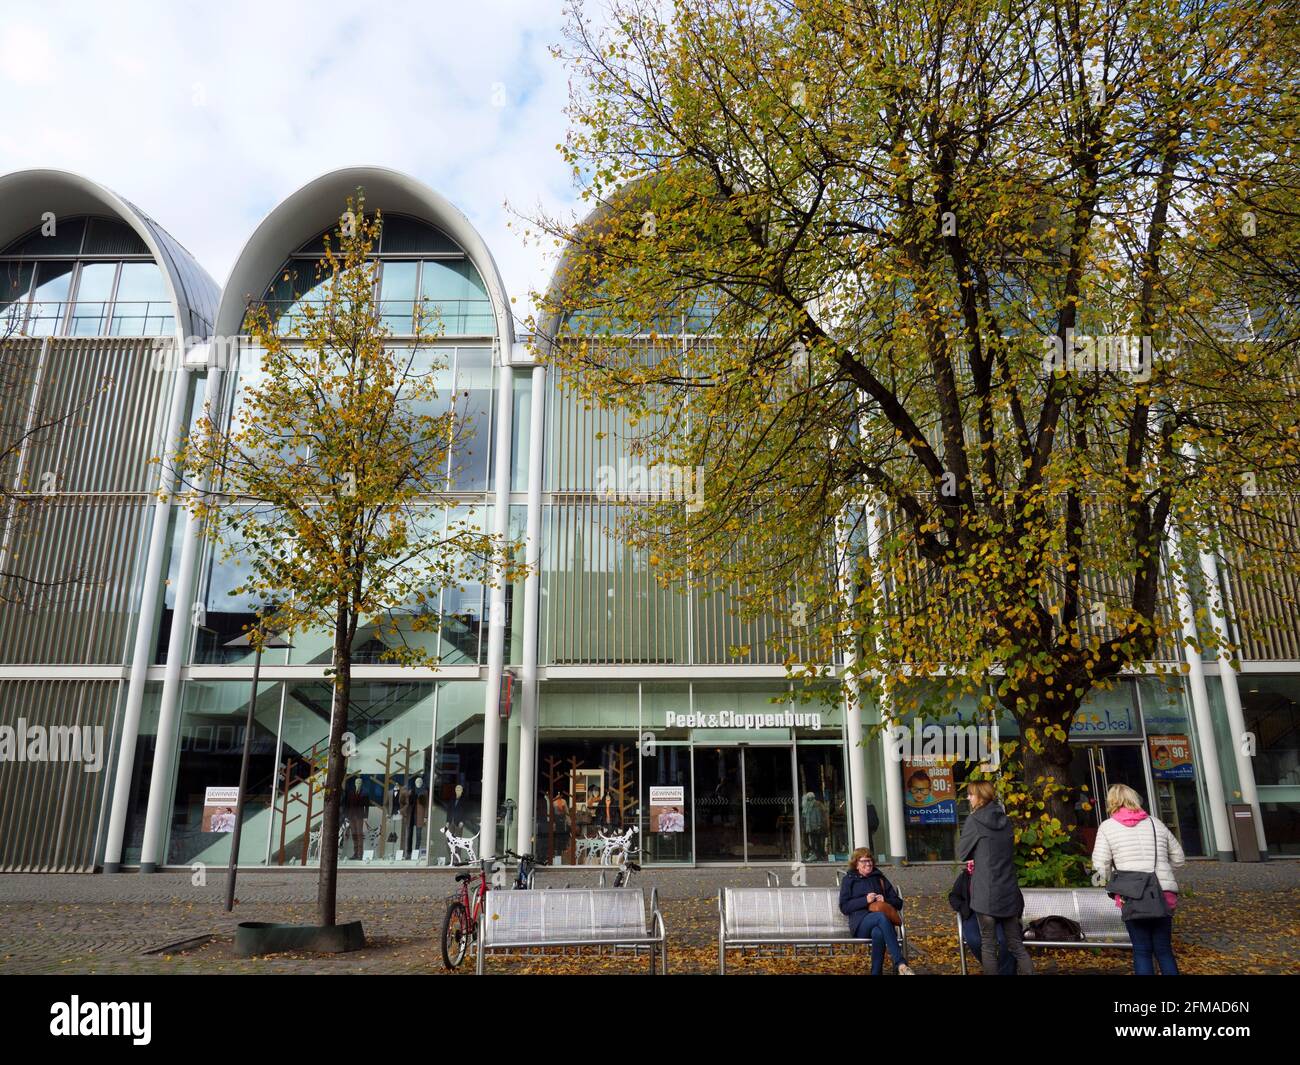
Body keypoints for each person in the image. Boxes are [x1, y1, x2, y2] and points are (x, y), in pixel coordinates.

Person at [1091, 783, 1185, 975]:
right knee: (1164, 950)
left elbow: (1101, 866)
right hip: (1163, 893)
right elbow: (1179, 858)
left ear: (1112, 801)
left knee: (1141, 950)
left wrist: (1113, 879)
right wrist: (1164, 871)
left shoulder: (1107, 827)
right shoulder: (1155, 823)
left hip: (1131, 894)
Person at [957, 780, 1033, 975]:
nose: (968, 797)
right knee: (1016, 945)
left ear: (980, 796)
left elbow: (962, 853)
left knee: (988, 946)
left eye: (971, 794)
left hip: (986, 892)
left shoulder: (975, 821)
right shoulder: (1005, 820)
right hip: (1008, 890)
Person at [838, 848, 915, 975]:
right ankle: (900, 963)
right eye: (864, 861)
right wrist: (865, 900)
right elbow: (844, 907)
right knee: (880, 917)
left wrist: (885, 900)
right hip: (860, 923)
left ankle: (876, 973)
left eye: (870, 861)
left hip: (880, 924)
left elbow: (898, 903)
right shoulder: (849, 879)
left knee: (879, 933)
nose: (868, 864)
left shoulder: (878, 877)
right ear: (856, 864)